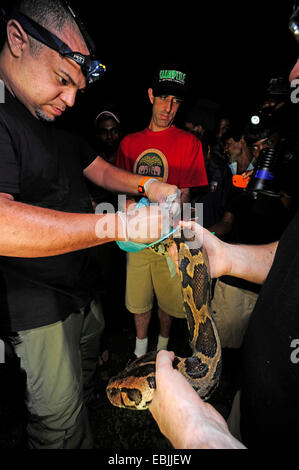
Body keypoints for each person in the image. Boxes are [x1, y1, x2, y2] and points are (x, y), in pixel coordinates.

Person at [0, 0, 179, 449]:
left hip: (81, 286)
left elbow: (96, 167)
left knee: (85, 369)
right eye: (63, 80)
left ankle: (81, 406)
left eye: (77, 87)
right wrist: (116, 227)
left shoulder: (52, 116)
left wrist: (147, 185)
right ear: (17, 39)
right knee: (58, 423)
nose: (71, 99)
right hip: (35, 304)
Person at [149, 39, 299, 448]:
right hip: (252, 407)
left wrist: (198, 437)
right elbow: (292, 259)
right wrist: (225, 255)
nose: (293, 76)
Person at [116, 64, 208, 359]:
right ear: (151, 95)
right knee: (139, 300)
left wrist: (177, 218)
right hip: (138, 239)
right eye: (164, 98)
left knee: (169, 302)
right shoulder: (130, 143)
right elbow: (121, 190)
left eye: (176, 102)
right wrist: (131, 209)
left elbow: (189, 193)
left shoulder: (190, 143)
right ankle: (140, 352)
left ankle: (163, 351)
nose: (169, 108)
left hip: (171, 237)